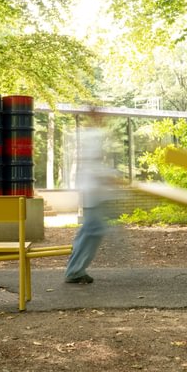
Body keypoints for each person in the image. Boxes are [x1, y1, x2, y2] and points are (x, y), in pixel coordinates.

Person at [65, 109, 117, 284]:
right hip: (92, 191)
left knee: (88, 231)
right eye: (100, 116)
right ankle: (74, 271)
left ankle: (75, 269)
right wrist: (112, 176)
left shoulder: (91, 135)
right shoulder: (91, 136)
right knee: (94, 230)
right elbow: (93, 165)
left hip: (93, 192)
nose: (103, 119)